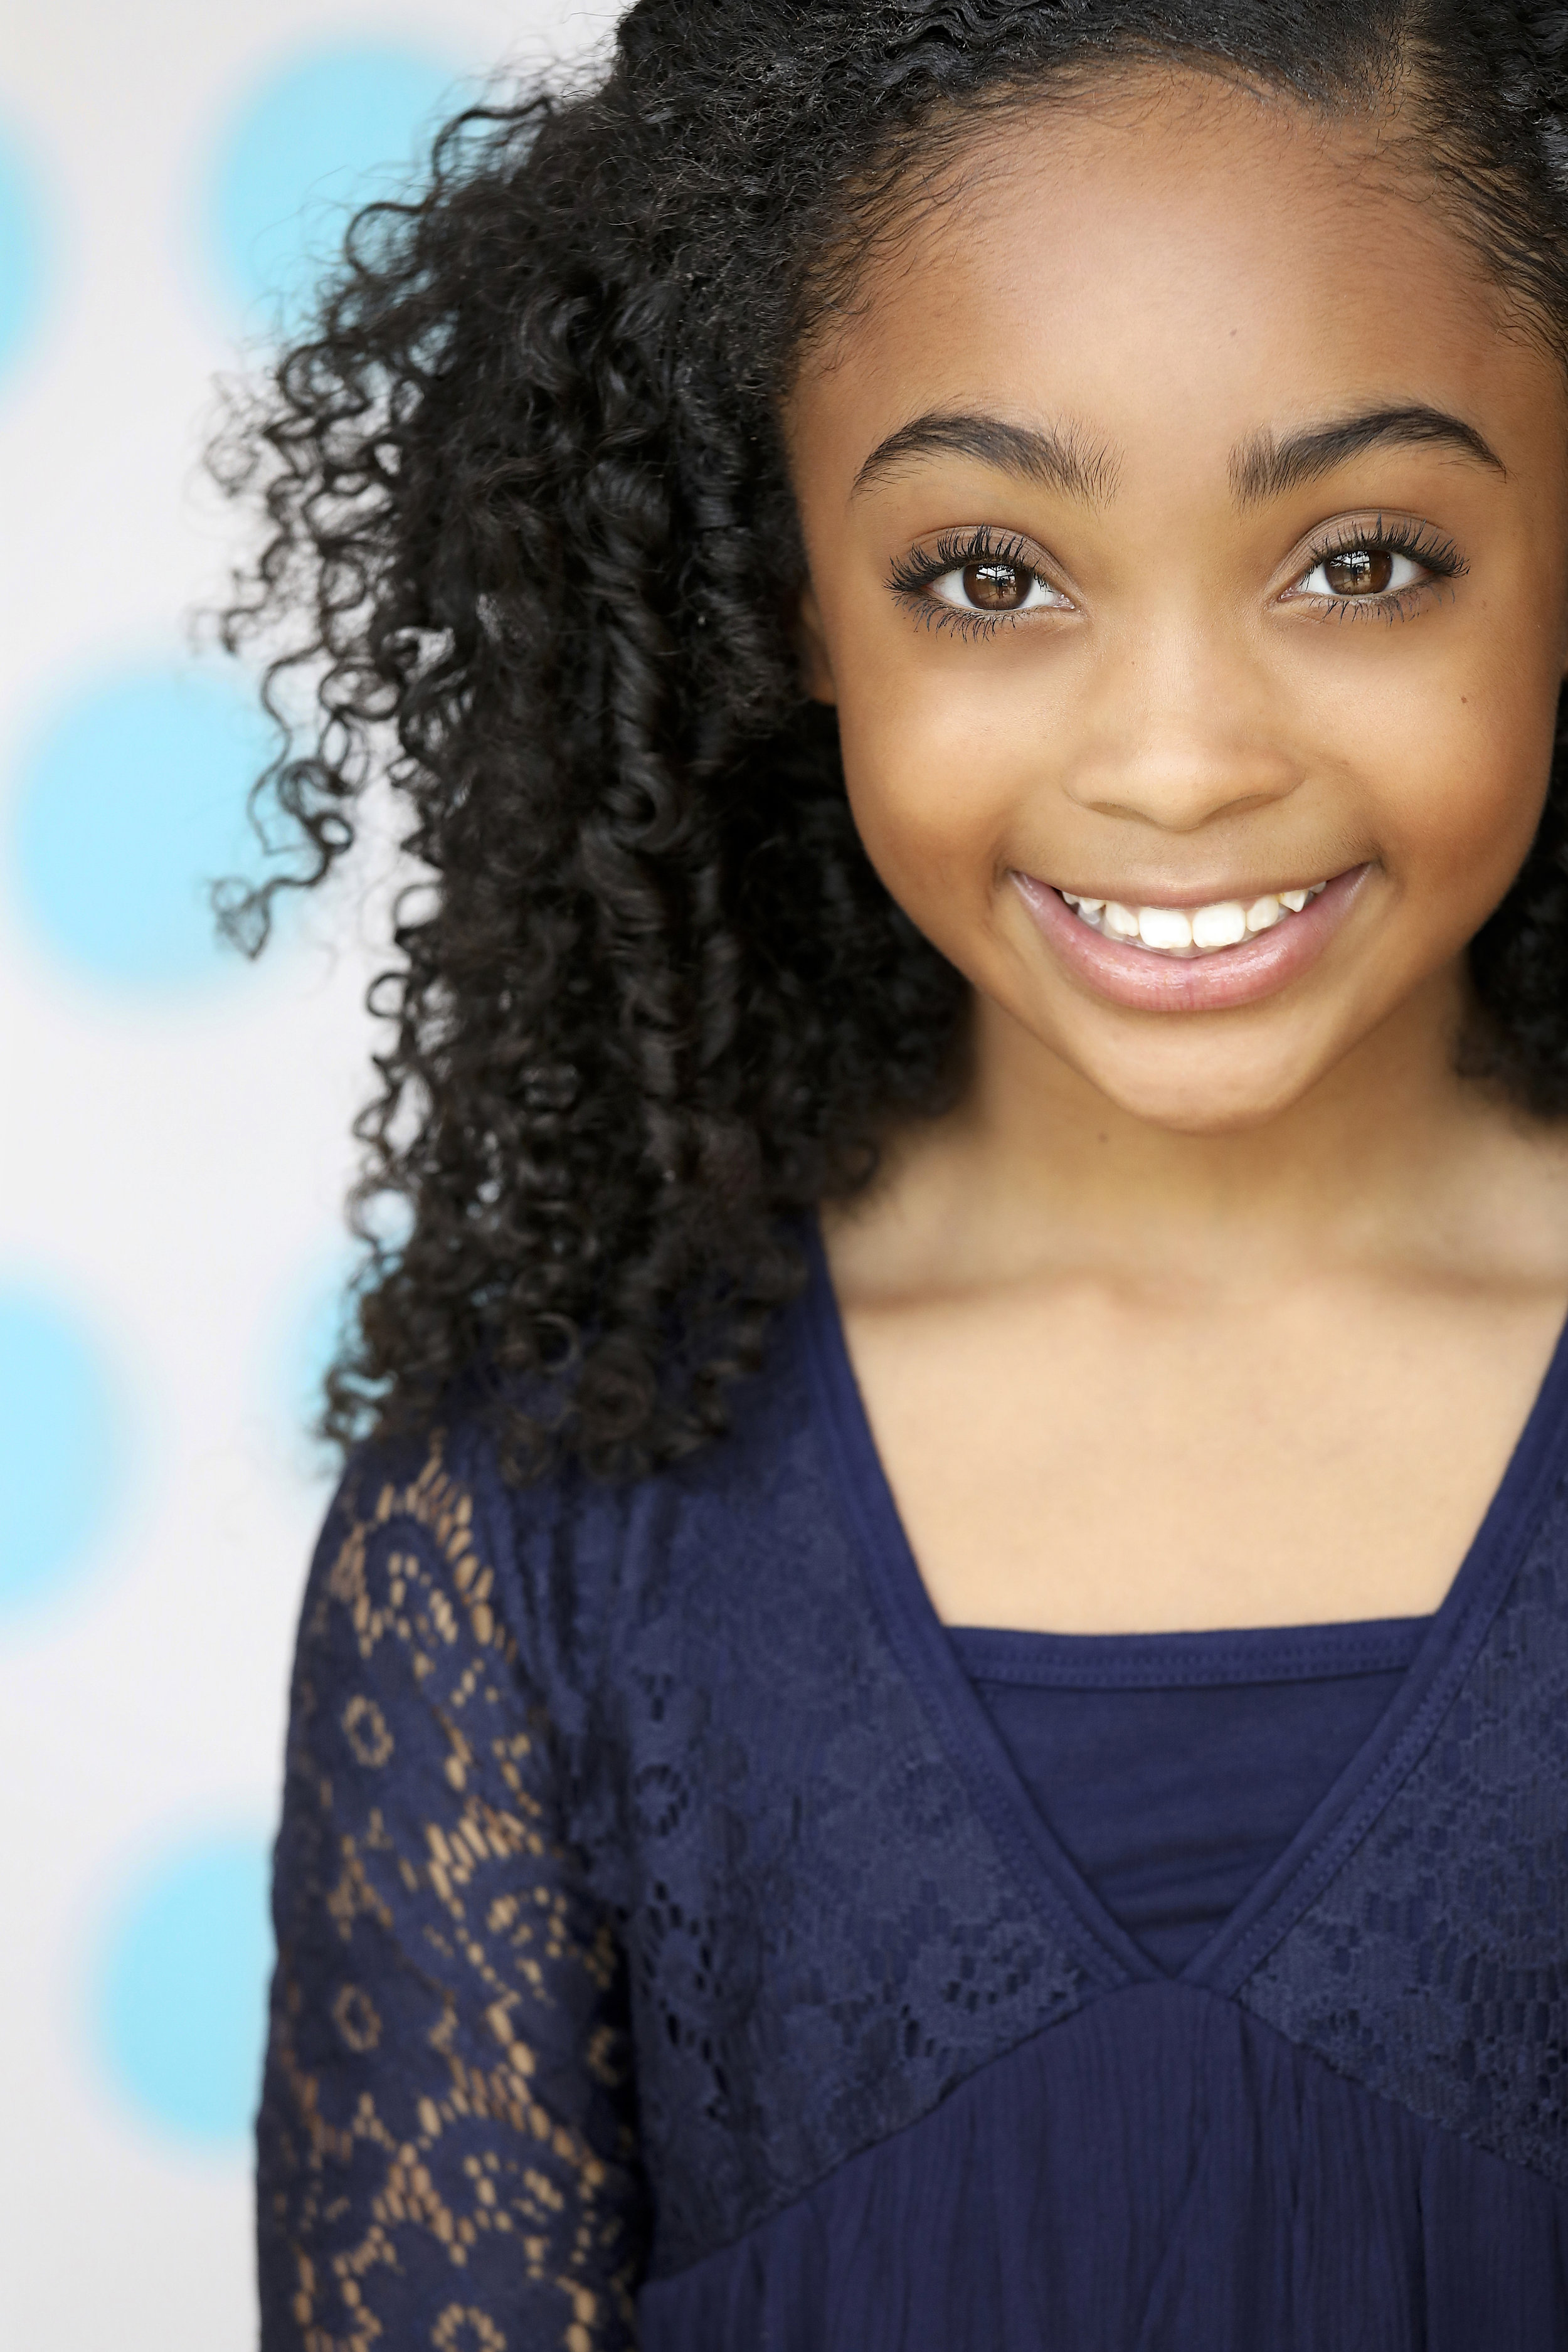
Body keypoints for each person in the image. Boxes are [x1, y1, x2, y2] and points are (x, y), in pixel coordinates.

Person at [233, 1, 1568, 2342]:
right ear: (787, 609)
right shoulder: (537, 1519)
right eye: (985, 571)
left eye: (1360, 561)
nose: (1174, 762)